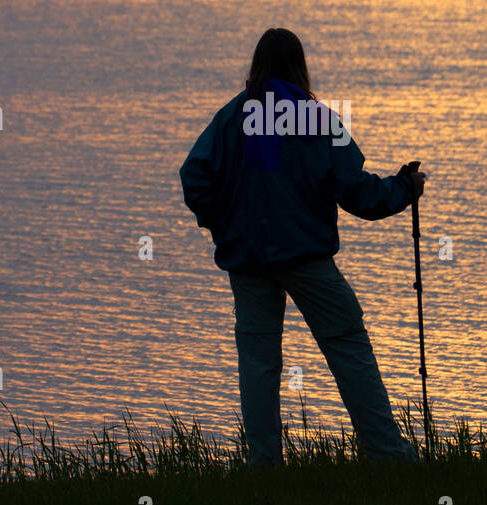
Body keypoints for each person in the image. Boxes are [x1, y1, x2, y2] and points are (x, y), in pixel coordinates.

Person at [179, 28, 426, 466]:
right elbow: (359, 195)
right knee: (348, 346)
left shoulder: (233, 117)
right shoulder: (316, 119)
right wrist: (405, 188)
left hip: (248, 259)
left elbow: (194, 175)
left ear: (256, 64)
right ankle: (389, 457)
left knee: (258, 362)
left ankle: (264, 466)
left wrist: (223, 224)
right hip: (306, 258)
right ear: (299, 66)